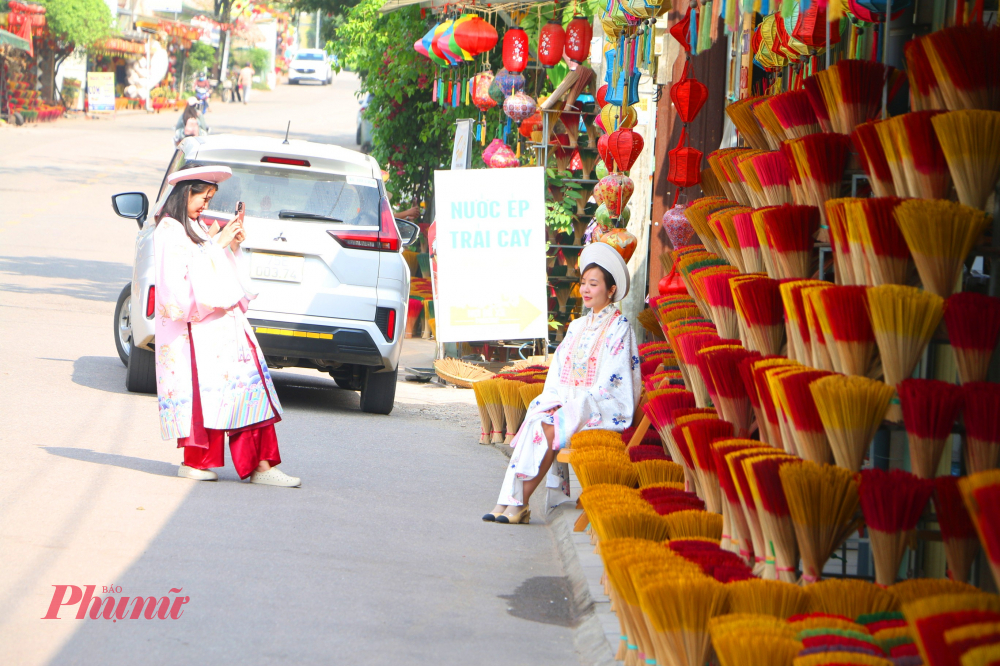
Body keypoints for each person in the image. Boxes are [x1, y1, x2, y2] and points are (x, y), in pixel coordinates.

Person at [153, 163, 300, 487]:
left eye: (210, 197)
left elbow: (212, 267)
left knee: (246, 390)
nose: (206, 203)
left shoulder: (196, 227)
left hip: (221, 327)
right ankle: (210, 461)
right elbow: (177, 286)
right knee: (212, 396)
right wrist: (217, 243)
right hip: (196, 330)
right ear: (184, 193)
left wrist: (230, 245)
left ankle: (260, 464)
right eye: (203, 196)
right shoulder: (169, 230)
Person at [484, 241, 641, 524]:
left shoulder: (620, 328)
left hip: (599, 407)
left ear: (611, 290)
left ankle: (517, 503)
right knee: (537, 418)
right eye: (583, 283)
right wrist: (556, 400)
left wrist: (573, 405)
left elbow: (611, 383)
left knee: (549, 427)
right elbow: (558, 373)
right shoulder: (577, 326)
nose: (586, 290)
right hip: (567, 402)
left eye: (594, 284)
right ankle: (507, 502)